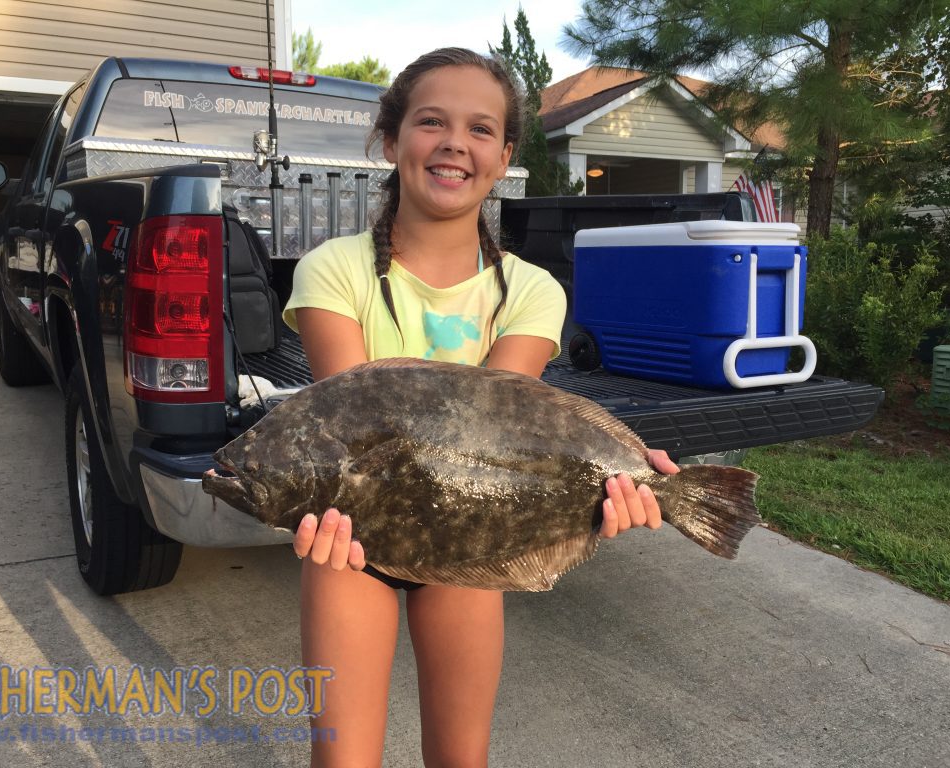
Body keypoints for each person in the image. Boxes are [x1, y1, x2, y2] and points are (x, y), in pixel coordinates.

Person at [281, 47, 679, 768]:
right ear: (390, 139)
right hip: (353, 546)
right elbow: (349, 426)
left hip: (466, 544)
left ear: (504, 158)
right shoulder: (330, 271)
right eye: (431, 121)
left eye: (480, 129)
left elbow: (496, 428)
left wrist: (613, 477)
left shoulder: (532, 292)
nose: (454, 143)